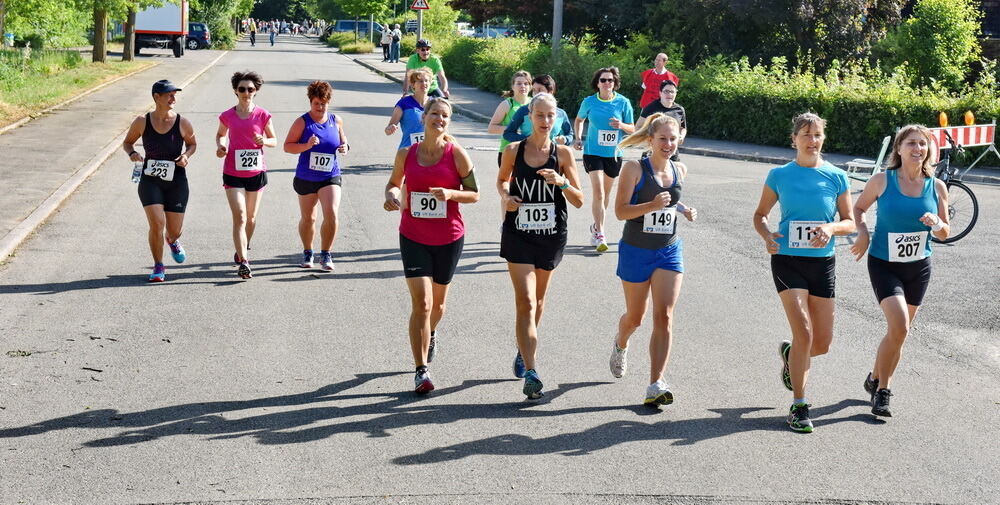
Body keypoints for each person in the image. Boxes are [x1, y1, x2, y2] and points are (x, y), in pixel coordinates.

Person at [752, 112, 856, 433]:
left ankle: (790, 353)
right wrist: (767, 236)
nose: (813, 140)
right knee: (805, 332)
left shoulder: (837, 176)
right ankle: (799, 405)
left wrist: (830, 227)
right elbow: (760, 215)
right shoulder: (779, 175)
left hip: (822, 263)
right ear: (794, 139)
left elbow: (850, 221)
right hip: (787, 260)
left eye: (818, 135)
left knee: (821, 343)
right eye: (806, 135)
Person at [849, 124, 949, 418]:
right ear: (899, 148)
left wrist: (937, 224)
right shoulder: (882, 180)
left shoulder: (937, 186)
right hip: (884, 264)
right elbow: (858, 209)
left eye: (923, 144)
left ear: (929, 150)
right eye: (911, 143)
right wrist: (864, 234)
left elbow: (945, 233)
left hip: (918, 268)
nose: (918, 149)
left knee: (897, 333)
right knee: (900, 327)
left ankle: (874, 377)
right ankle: (883, 391)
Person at [383, 98, 479, 393]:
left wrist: (450, 194)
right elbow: (393, 183)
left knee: (437, 306)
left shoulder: (457, 154)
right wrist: (391, 195)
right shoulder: (406, 153)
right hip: (413, 234)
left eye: (445, 115)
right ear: (423, 118)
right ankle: (421, 370)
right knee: (422, 304)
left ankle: (431, 332)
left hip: (449, 237)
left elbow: (474, 194)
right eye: (435, 113)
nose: (439, 118)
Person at [497, 93, 584, 400]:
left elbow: (578, 199)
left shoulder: (562, 154)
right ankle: (532, 370)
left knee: (539, 299)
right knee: (526, 301)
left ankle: (523, 349)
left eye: (551, 116)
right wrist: (506, 198)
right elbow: (502, 180)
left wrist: (561, 182)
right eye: (540, 116)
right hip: (518, 232)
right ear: (529, 117)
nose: (546, 122)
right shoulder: (513, 150)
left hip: (551, 235)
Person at [609, 113, 696, 406]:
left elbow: (670, 199)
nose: (668, 144)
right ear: (650, 140)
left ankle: (656, 383)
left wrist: (683, 209)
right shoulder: (633, 168)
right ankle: (621, 342)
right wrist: (650, 205)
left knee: (665, 315)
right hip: (635, 250)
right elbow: (621, 211)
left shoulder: (679, 169)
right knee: (635, 317)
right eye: (663, 139)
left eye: (673, 139)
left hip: (668, 250)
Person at [122, 80, 198, 282]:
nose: (174, 98)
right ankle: (158, 265)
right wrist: (132, 153)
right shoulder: (142, 121)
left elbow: (192, 144)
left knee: (174, 230)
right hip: (150, 179)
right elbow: (127, 142)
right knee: (157, 223)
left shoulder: (182, 122)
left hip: (176, 180)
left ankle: (172, 240)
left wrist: (186, 156)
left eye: (175, 95)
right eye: (169, 95)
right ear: (157, 97)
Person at [215, 71, 277, 280]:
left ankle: (243, 246)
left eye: (250, 89)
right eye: (242, 89)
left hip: (256, 172)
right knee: (240, 216)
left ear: (256, 91)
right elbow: (221, 135)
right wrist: (221, 147)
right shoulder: (228, 115)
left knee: (250, 218)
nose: (246, 92)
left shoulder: (262, 115)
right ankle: (244, 261)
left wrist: (264, 141)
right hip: (232, 171)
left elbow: (274, 140)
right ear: (235, 91)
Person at [283, 81, 349, 271]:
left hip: (330, 175)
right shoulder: (302, 122)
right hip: (306, 177)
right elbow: (288, 146)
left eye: (324, 103)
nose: (320, 107)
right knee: (309, 218)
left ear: (329, 102)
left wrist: (345, 146)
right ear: (310, 102)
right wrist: (306, 145)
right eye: (316, 103)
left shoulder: (336, 120)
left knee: (332, 214)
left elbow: (343, 141)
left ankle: (326, 253)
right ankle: (307, 251)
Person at [573, 67, 635, 252]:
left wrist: (621, 125)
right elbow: (579, 120)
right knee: (598, 193)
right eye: (603, 80)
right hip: (593, 152)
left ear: (615, 83)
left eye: (610, 80)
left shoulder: (623, 103)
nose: (607, 83)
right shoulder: (589, 101)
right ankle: (600, 232)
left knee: (606, 196)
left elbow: (632, 128)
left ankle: (595, 225)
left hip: (614, 154)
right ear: (597, 83)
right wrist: (578, 137)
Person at [502, 74, 575, 148]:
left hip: (553, 155)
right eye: (534, 90)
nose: (535, 93)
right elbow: (508, 133)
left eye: (540, 90)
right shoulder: (523, 111)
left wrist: (565, 139)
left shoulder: (561, 113)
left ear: (550, 92)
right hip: (528, 154)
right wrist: (527, 140)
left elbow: (570, 134)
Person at [488, 70, 532, 169]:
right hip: (509, 151)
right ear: (513, 86)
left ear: (530, 86)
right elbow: (491, 128)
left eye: (526, 83)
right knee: (508, 184)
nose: (523, 86)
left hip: (530, 151)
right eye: (519, 83)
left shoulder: (534, 103)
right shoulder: (507, 104)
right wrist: (512, 129)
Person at [385, 68, 431, 150]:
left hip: (430, 152)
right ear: (413, 84)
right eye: (420, 81)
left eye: (426, 81)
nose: (424, 83)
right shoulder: (404, 103)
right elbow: (387, 131)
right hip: (408, 151)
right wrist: (390, 128)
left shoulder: (435, 104)